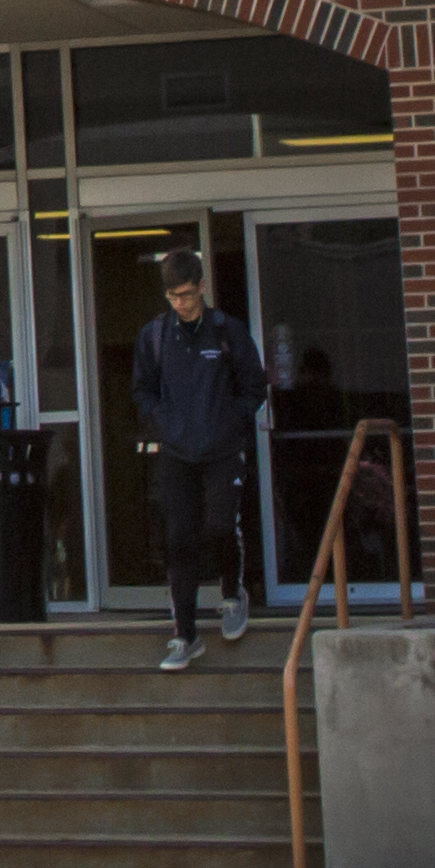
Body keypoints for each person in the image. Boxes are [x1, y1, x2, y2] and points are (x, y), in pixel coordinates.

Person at [126, 267, 273, 670]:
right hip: (176, 451)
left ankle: (232, 593)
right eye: (173, 296)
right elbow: (142, 389)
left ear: (202, 287)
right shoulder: (155, 335)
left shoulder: (227, 331)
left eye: (187, 294)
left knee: (221, 526)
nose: (181, 303)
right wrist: (162, 420)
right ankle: (185, 635)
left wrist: (230, 419)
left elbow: (255, 387)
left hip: (222, 449)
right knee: (178, 539)